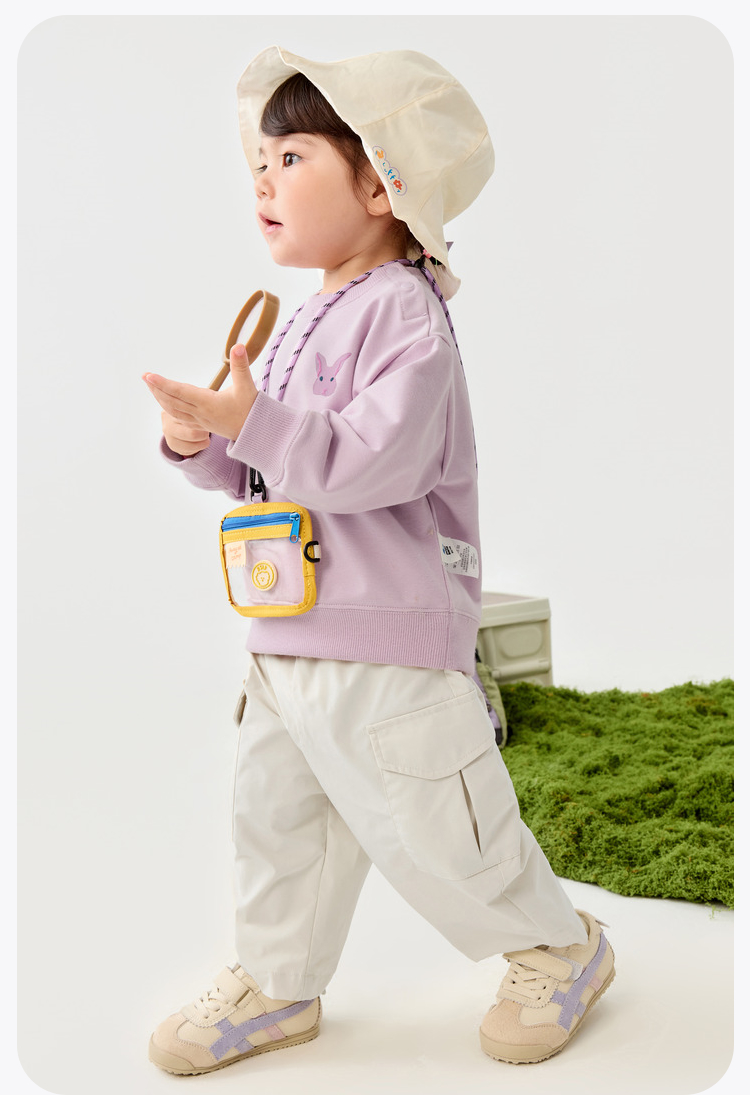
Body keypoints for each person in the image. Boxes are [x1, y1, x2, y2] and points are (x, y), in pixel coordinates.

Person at [143, 46, 615, 1075]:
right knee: (277, 822)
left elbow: (375, 461)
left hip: (388, 637)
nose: (262, 178)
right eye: (259, 160)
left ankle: (560, 948)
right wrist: (207, 443)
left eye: (292, 156)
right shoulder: (306, 315)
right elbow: (278, 471)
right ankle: (280, 978)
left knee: (440, 824)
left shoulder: (404, 310)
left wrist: (255, 423)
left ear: (379, 185)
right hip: (288, 627)